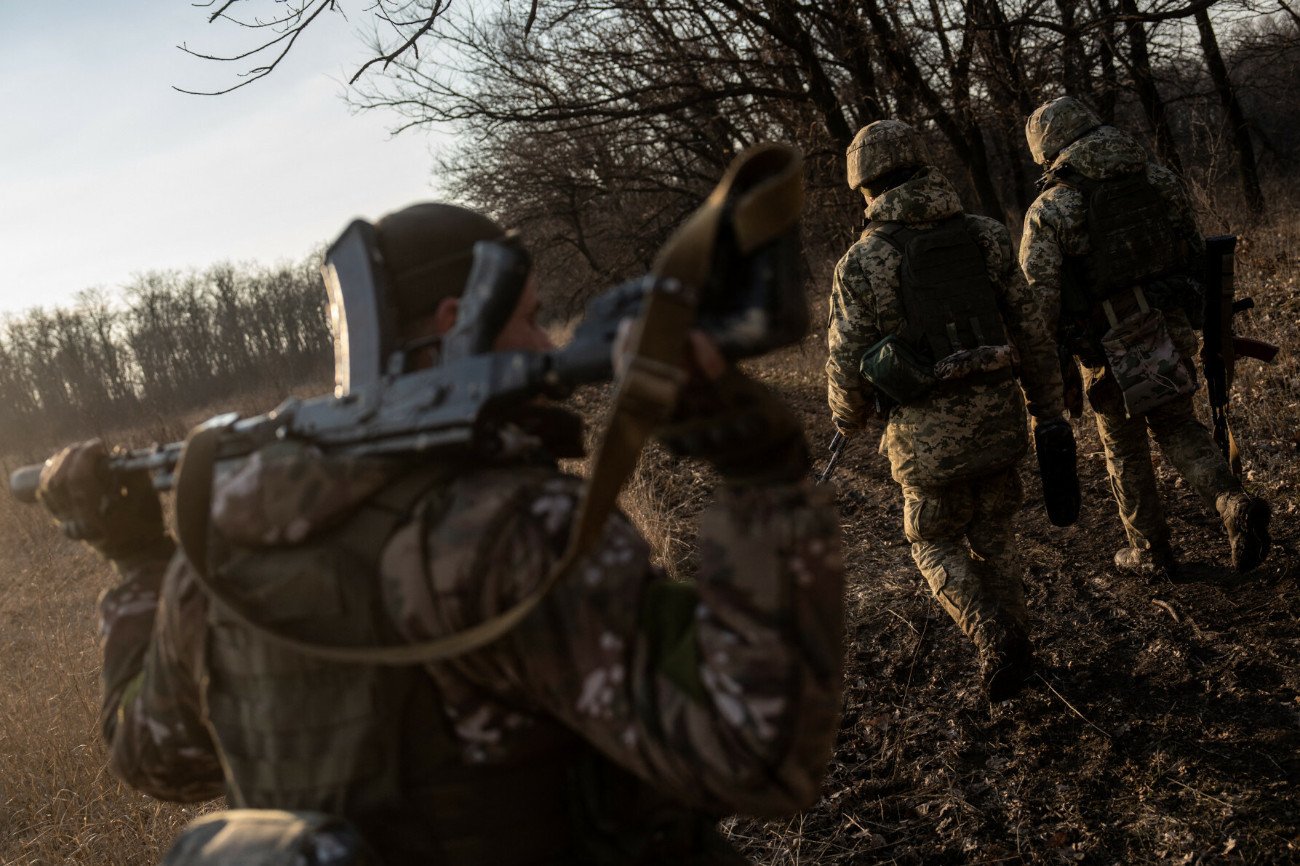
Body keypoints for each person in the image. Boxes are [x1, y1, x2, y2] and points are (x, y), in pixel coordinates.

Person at [35, 202, 844, 865]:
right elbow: (758, 752)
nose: (546, 345)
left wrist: (138, 559)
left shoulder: (219, 562)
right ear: (458, 321)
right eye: (532, 320)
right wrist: (760, 475)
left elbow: (159, 760)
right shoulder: (510, 532)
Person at [825, 120, 1066, 702]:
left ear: (866, 185)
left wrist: (847, 419)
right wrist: (1047, 406)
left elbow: (846, 364)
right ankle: (1021, 652)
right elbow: (1031, 329)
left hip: (926, 443)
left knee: (931, 538)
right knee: (996, 535)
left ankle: (993, 638)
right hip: (1001, 422)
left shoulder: (861, 262)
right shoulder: (986, 235)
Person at [1020, 96, 1271, 579]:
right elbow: (1195, 254)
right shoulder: (1159, 179)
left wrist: (1047, 365)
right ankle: (1233, 503)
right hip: (1167, 327)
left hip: (1106, 342)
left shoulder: (1052, 207)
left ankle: (1149, 553)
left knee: (1124, 447)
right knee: (1178, 426)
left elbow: (1038, 300)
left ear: (1048, 150)